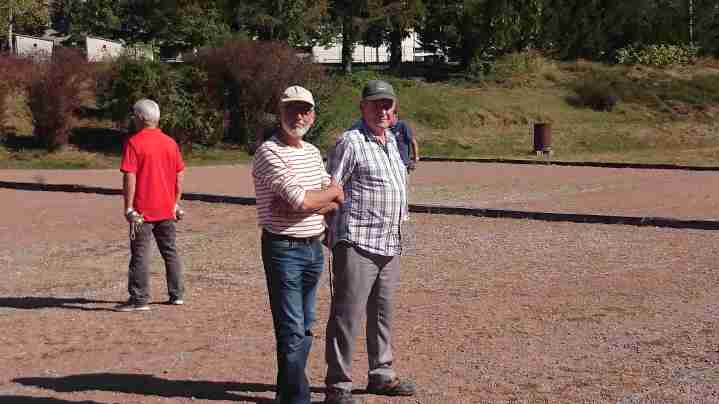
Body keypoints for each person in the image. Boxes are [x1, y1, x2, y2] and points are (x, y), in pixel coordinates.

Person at [323, 80, 416, 404]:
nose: (382, 110)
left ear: (395, 108)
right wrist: (330, 233)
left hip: (390, 242)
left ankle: (381, 373)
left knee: (382, 313)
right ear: (362, 107)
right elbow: (331, 186)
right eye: (375, 104)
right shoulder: (350, 141)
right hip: (357, 241)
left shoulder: (393, 141)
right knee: (347, 315)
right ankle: (338, 385)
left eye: (387, 104)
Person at [252, 85, 344, 404]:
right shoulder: (269, 152)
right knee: (292, 329)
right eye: (292, 109)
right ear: (281, 112)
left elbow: (333, 199)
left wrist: (312, 201)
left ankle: (286, 392)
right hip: (283, 250)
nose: (299, 116)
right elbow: (304, 199)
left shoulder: (312, 153)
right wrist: (317, 198)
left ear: (313, 115)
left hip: (313, 248)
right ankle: (297, 398)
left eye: (305, 110)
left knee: (304, 327)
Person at [117, 99, 186, 312]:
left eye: (133, 115)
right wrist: (175, 203)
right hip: (167, 208)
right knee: (170, 252)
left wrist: (128, 207)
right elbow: (180, 174)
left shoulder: (134, 142)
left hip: (142, 211)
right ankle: (177, 295)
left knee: (140, 255)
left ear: (140, 117)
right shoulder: (170, 143)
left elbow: (130, 176)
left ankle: (139, 299)